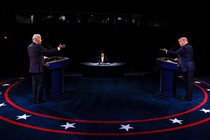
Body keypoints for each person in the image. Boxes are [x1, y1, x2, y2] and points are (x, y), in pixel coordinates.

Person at [28, 34, 66, 104]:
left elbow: (35, 56)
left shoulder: (30, 46)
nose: (41, 40)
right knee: (40, 84)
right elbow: (48, 51)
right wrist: (59, 48)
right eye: (40, 39)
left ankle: (34, 99)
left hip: (32, 69)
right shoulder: (38, 46)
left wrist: (42, 58)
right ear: (36, 39)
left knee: (34, 85)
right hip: (38, 69)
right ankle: (38, 100)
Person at [159, 37, 195, 101]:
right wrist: (179, 59)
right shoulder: (189, 46)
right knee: (188, 83)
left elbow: (176, 52)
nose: (179, 43)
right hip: (189, 67)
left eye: (180, 42)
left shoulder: (185, 47)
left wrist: (166, 51)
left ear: (183, 41)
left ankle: (188, 98)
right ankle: (188, 97)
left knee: (188, 84)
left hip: (187, 68)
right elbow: (186, 56)